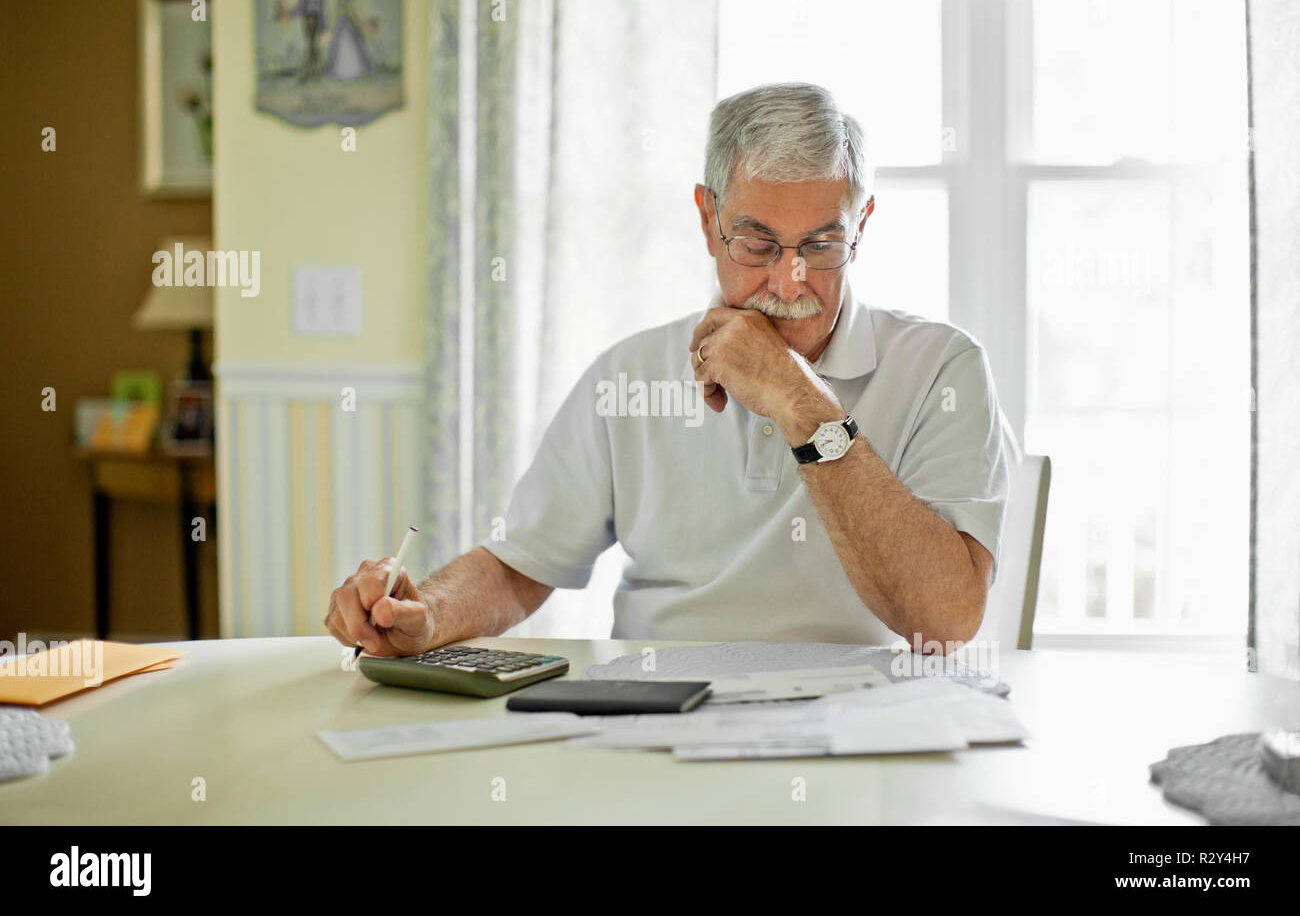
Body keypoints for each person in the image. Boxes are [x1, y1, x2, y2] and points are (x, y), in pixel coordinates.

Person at [325, 82, 1010, 657]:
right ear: (707, 219)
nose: (790, 279)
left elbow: (944, 620)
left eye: (822, 243)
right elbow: (518, 568)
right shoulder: (629, 373)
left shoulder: (943, 368)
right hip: (657, 712)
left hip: (857, 727)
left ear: (861, 225)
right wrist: (428, 616)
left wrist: (800, 400)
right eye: (757, 242)